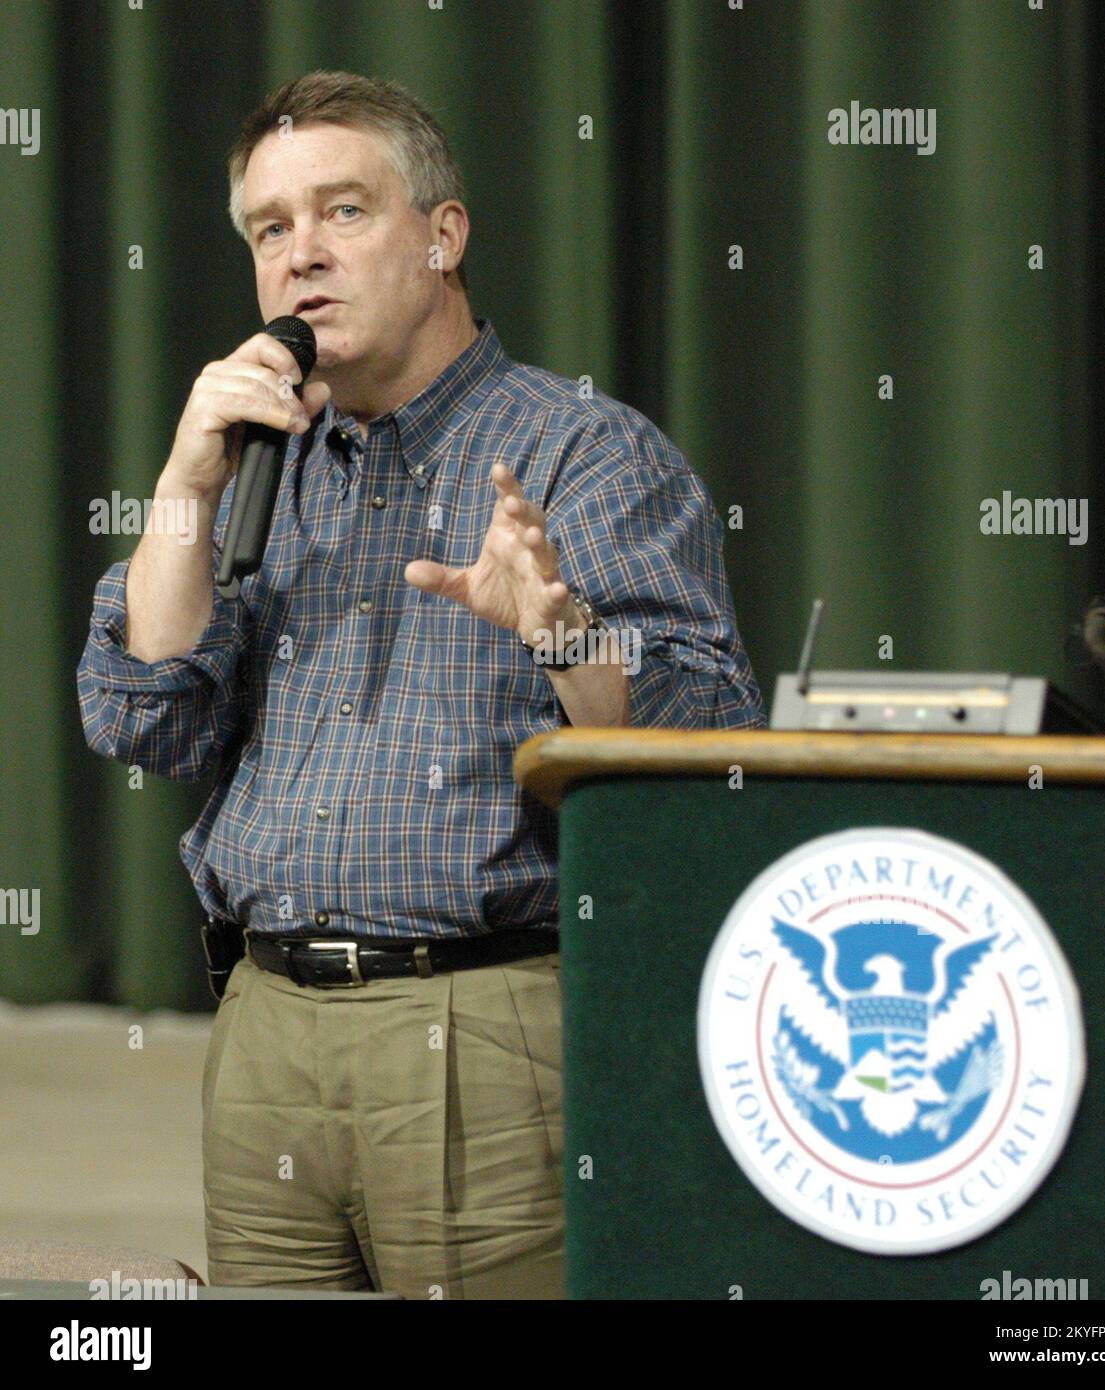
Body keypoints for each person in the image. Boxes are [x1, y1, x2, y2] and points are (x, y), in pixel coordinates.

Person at [76, 70, 765, 1300]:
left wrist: (558, 637)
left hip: (483, 1034)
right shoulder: (259, 469)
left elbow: (707, 746)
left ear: (443, 236)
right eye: (269, 230)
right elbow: (144, 715)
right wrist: (185, 484)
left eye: (342, 212)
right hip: (267, 1033)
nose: (299, 257)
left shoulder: (583, 451)